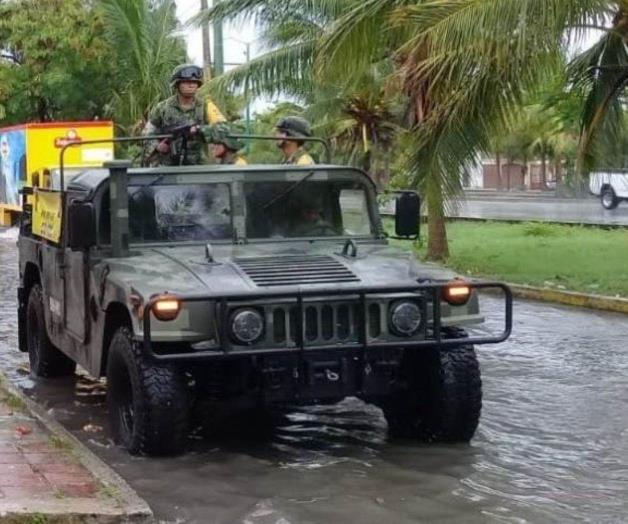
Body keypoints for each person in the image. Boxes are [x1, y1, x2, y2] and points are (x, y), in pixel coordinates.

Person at [143, 64, 223, 166]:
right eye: (187, 82)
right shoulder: (162, 108)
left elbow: (223, 129)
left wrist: (200, 130)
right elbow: (147, 132)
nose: (192, 85)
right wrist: (157, 145)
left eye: (195, 82)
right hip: (169, 167)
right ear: (177, 84)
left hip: (199, 167)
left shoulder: (206, 106)